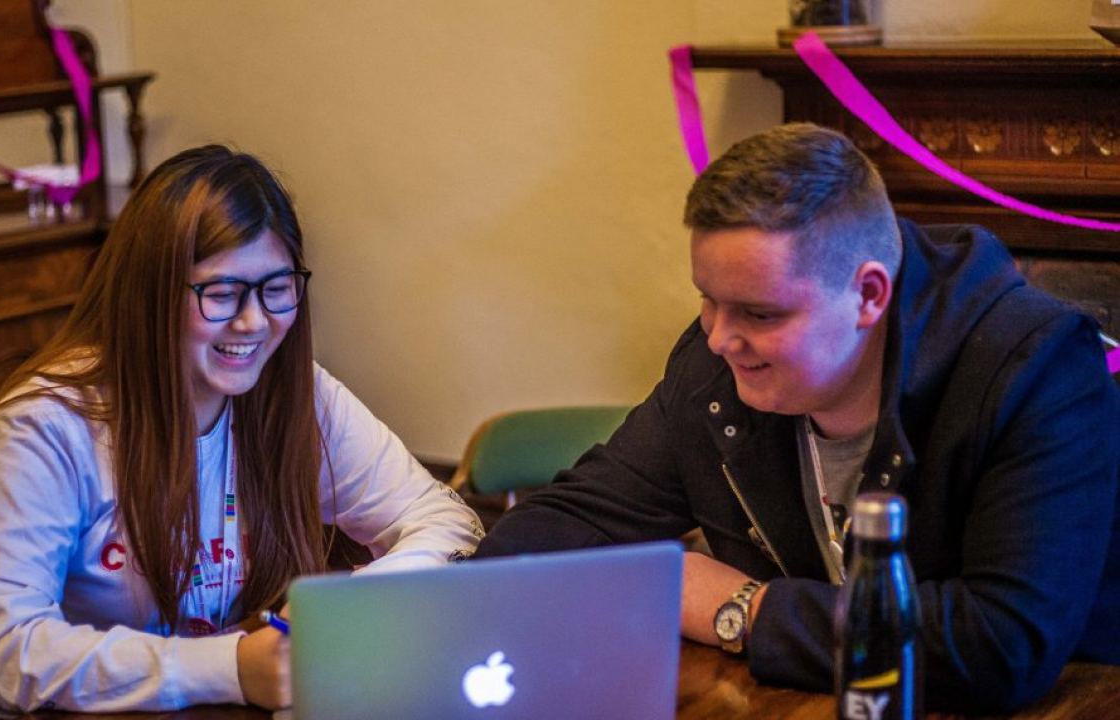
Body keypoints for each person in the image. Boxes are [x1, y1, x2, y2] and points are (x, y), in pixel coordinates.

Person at [474, 123, 1119, 714]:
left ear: (868, 294)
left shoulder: (1035, 368)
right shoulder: (717, 369)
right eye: (707, 300)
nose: (720, 338)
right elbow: (560, 527)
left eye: (760, 314)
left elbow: (1003, 644)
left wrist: (740, 608)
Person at [0, 145, 484, 717]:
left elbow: (447, 521)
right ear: (149, 294)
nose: (254, 322)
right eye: (221, 293)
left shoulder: (292, 391)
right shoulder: (45, 426)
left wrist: (347, 605)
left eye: (277, 288)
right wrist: (231, 667)